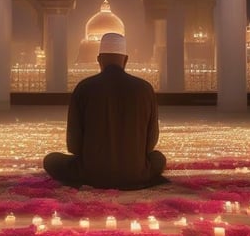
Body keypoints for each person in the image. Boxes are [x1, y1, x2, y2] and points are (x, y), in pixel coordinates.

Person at [43, 32, 167, 190]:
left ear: (99, 60)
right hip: (136, 173)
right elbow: (150, 144)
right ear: (126, 60)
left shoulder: (84, 88)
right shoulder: (145, 89)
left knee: (51, 160)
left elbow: (73, 146)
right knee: (158, 158)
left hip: (90, 174)